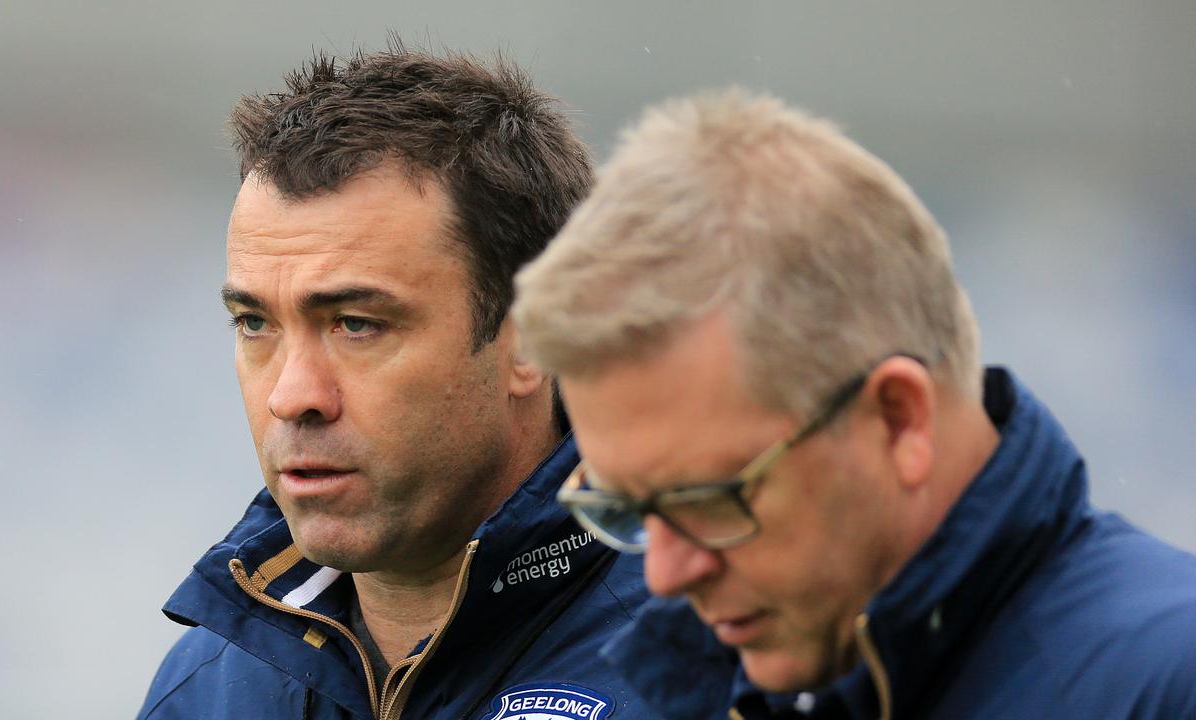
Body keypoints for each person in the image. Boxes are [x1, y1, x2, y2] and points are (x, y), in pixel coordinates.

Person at [512, 89, 1196, 719]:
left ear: (899, 419)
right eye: (625, 511)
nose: (663, 575)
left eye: (708, 499)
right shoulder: (729, 683)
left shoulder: (1166, 682)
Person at [138, 46, 732, 720]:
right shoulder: (207, 687)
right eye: (254, 322)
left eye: (356, 324)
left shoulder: (730, 657)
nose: (290, 395)